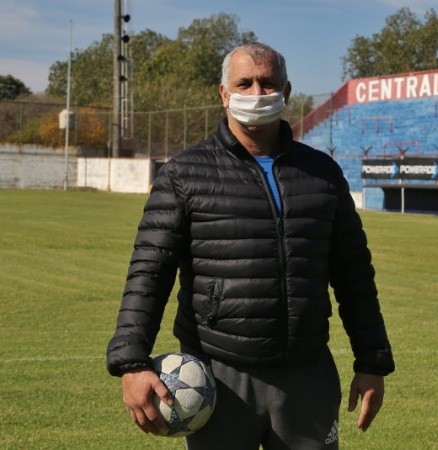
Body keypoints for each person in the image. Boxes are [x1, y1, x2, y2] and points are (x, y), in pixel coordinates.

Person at [106, 41, 395, 449]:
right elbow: (148, 272)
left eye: (268, 83)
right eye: (244, 83)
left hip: (306, 375)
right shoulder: (185, 174)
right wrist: (132, 363)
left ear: (286, 92)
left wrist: (372, 361)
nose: (257, 94)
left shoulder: (322, 173)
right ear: (224, 94)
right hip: (219, 375)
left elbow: (354, 275)